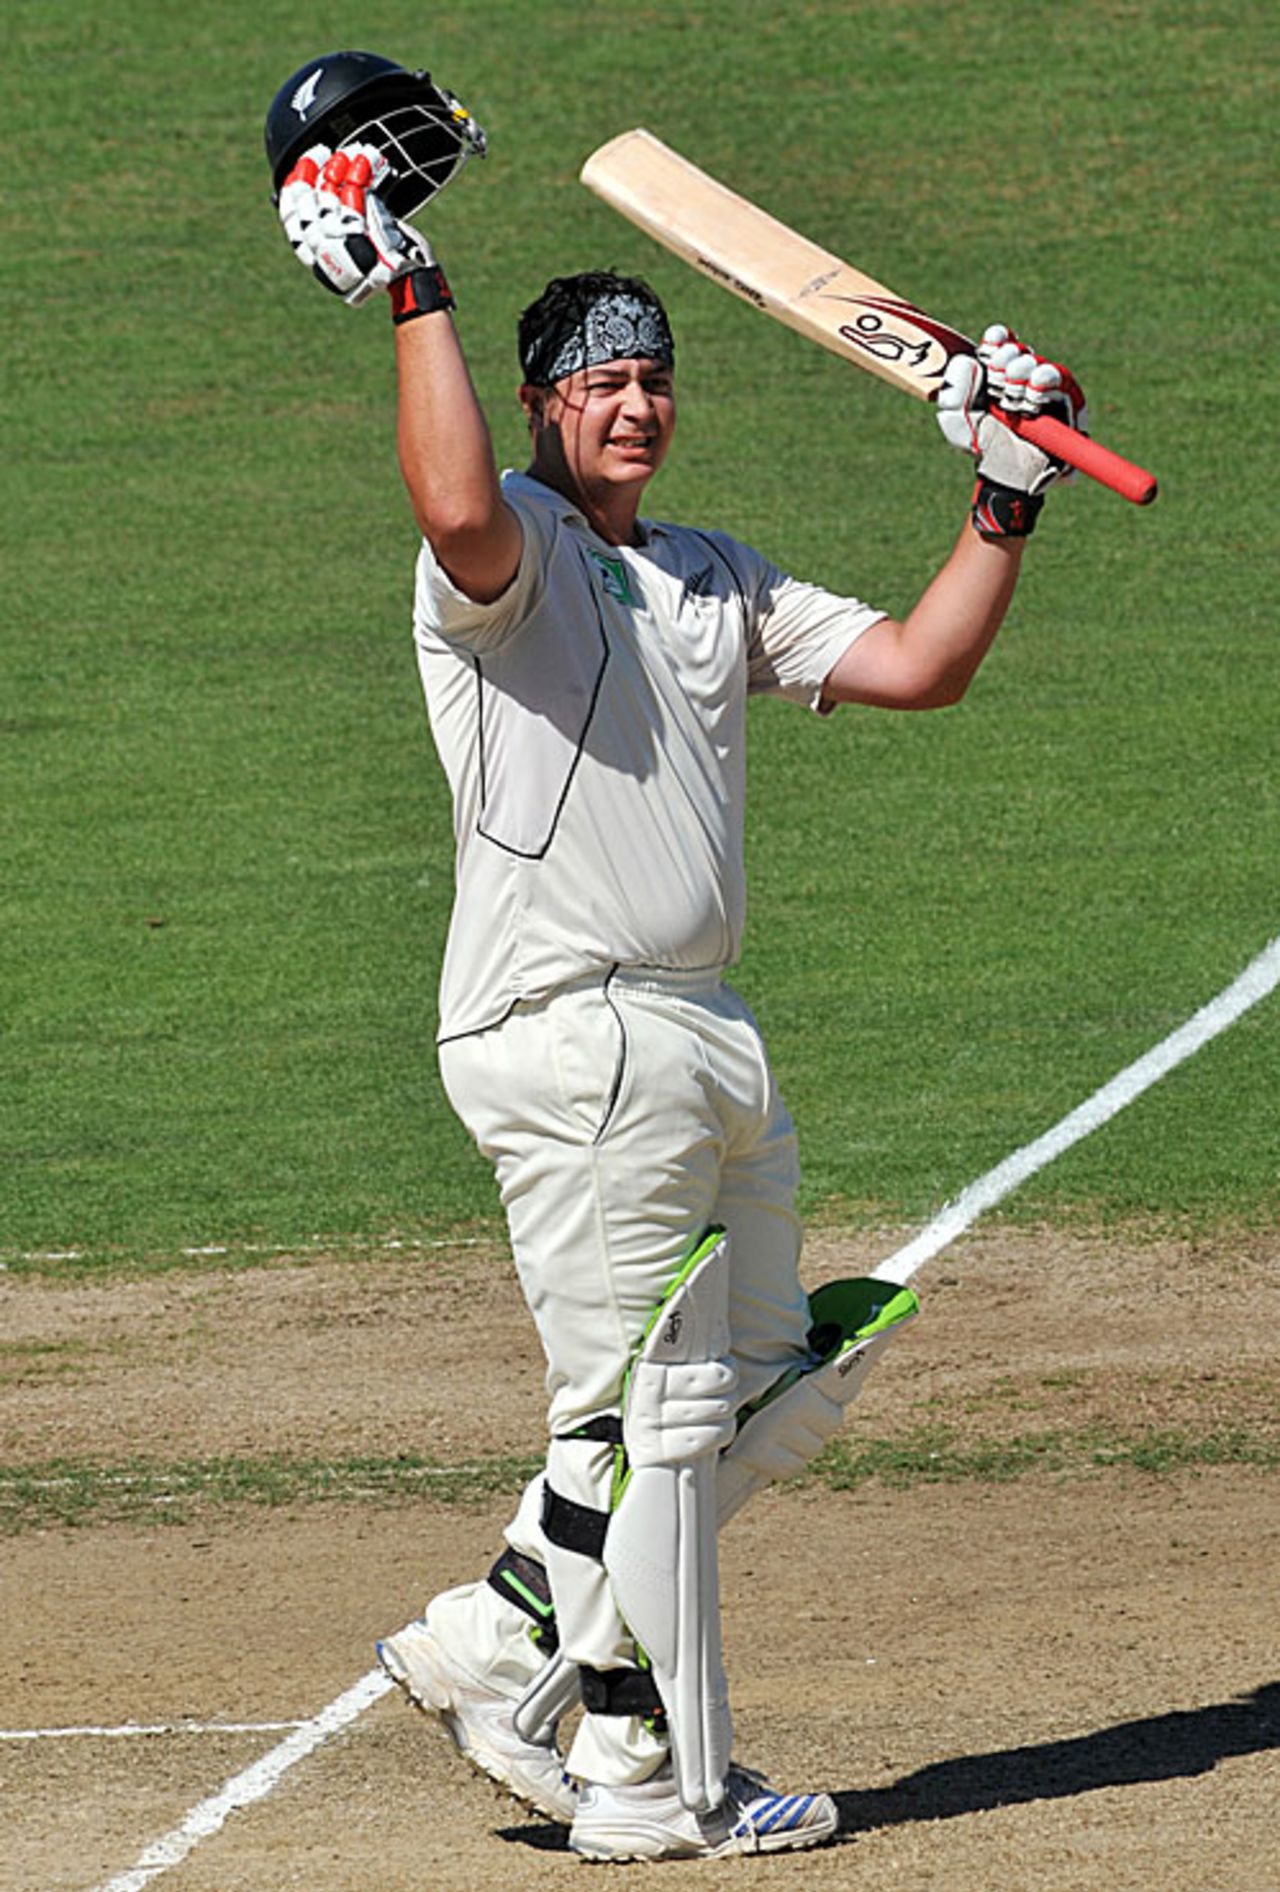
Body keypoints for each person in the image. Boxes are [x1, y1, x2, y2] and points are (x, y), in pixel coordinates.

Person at [276, 137, 1086, 1862]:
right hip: (567, 1033)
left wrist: (1002, 494)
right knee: (641, 1417)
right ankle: (645, 1781)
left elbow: (922, 668)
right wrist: (413, 288)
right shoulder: (511, 573)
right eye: (601, 385)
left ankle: (493, 1638)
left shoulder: (717, 576)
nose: (635, 408)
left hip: (709, 1036)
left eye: (654, 380)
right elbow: (449, 505)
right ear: (543, 407)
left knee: (771, 1392)